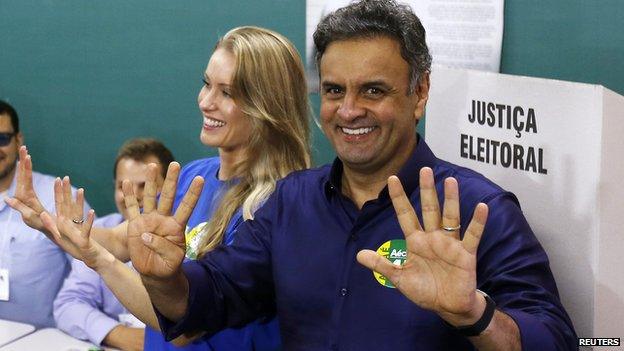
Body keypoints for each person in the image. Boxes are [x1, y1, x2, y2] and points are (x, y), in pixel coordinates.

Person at [111, 1, 577, 350]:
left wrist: (475, 314)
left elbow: (557, 341)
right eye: (334, 90)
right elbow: (213, 296)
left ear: (420, 92)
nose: (349, 110)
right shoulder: (292, 201)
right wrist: (165, 278)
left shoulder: (479, 210)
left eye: (373, 90)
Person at [13, 26, 311, 351]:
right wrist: (50, 223)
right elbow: (118, 239)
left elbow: (184, 326)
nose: (206, 102)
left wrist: (97, 259)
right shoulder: (194, 176)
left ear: (266, 105)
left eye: (227, 93)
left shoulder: (278, 204)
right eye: (206, 84)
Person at [53, 138, 174, 351]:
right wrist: (117, 334)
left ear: (171, 188)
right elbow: (68, 304)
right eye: (123, 186)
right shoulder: (97, 231)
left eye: (145, 186)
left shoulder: (189, 236)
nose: (133, 196)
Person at [0, 100, 90, 328]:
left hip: (46, 340)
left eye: (2, 139)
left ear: (18, 140)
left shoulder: (58, 198)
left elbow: (93, 274)